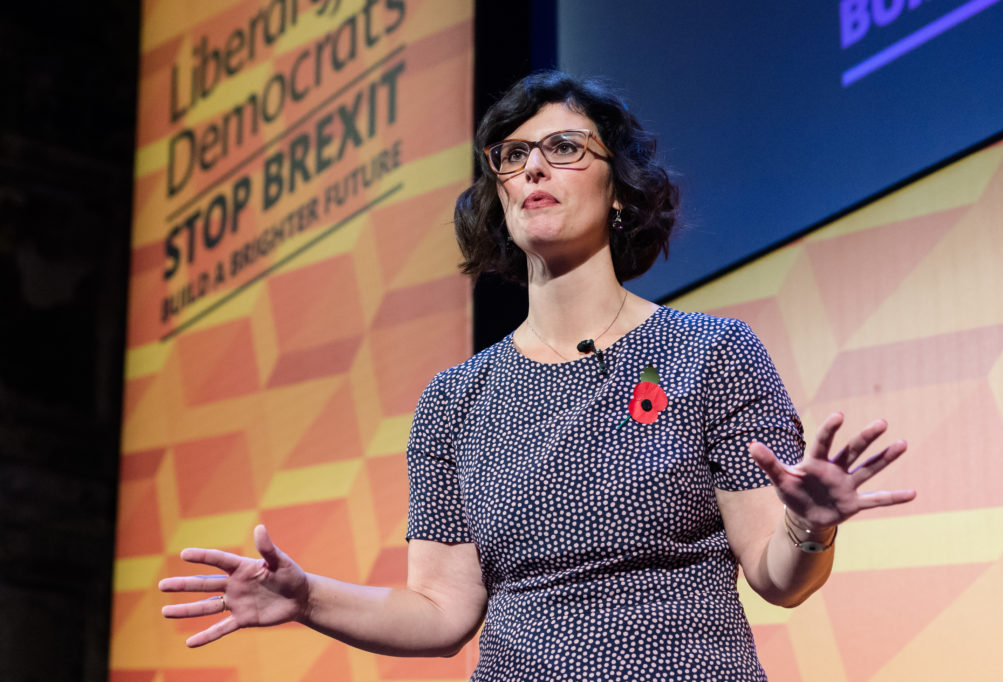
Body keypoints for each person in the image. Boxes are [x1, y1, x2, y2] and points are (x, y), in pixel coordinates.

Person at [159, 71, 915, 680]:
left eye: (563, 148)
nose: (534, 169)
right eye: (513, 156)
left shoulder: (711, 353)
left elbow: (777, 577)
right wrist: (307, 596)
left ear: (619, 188)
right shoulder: (455, 402)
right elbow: (443, 614)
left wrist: (808, 523)